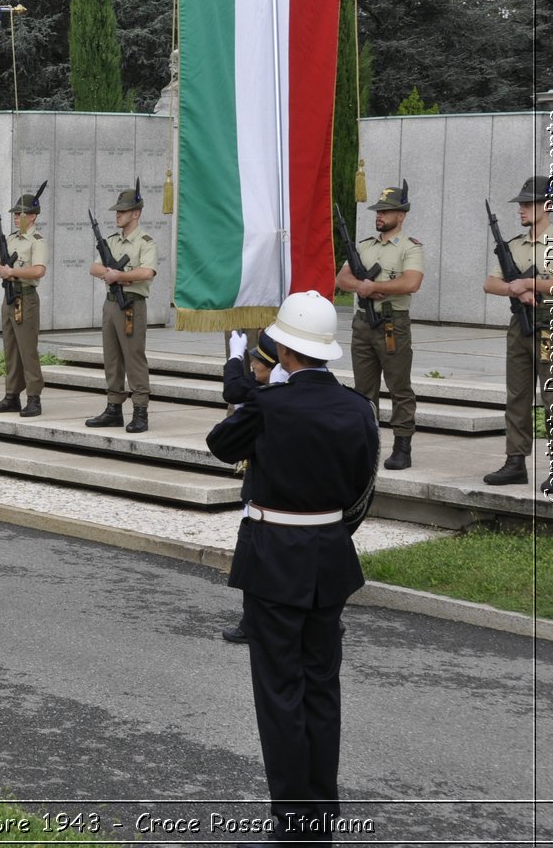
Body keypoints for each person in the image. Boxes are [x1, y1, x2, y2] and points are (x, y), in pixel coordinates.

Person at [206, 290, 378, 840]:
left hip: (273, 557)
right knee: (322, 688)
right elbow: (359, 488)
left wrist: (254, 393)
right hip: (329, 553)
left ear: (283, 350)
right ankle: (322, 817)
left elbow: (219, 445)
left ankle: (293, 821)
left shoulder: (267, 404)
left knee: (280, 692)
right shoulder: (358, 408)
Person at [483, 175, 553, 495]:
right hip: (519, 325)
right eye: (520, 203)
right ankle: (515, 462)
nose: (521, 209)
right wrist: (514, 288)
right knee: (516, 396)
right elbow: (490, 284)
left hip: (551, 325)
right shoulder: (513, 246)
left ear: (546, 206)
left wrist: (532, 284)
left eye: (528, 203)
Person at [336, 181, 425, 470]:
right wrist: (363, 288)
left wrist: (375, 285)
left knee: (399, 387)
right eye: (379, 211)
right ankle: (366, 443)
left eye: (387, 211)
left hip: (392, 323)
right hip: (363, 323)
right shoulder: (364, 246)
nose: (380, 215)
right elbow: (342, 279)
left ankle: (402, 446)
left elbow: (412, 282)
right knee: (363, 389)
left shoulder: (409, 248)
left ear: (401, 216)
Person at [218, 328, 289, 645]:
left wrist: (234, 354)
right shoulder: (275, 386)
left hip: (268, 492)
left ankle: (252, 623)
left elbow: (233, 390)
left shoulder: (267, 395)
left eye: (257, 363)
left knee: (255, 557)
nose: (253, 368)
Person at [86, 179, 157, 433]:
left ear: (136, 213)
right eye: (117, 211)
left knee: (134, 358)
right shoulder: (111, 241)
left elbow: (147, 272)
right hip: (111, 304)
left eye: (123, 211)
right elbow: (94, 267)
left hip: (132, 305)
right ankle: (114, 407)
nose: (118, 215)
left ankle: (140, 411)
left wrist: (120, 276)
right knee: (112, 358)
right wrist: (109, 272)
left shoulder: (145, 242)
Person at [0, 189, 50, 416]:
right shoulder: (11, 239)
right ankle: (11, 395)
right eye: (14, 214)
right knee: (10, 348)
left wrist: (11, 271)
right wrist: (3, 271)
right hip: (9, 296)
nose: (16, 217)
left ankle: (34, 397)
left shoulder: (37, 241)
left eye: (20, 213)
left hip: (25, 297)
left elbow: (39, 270)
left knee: (27, 349)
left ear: (32, 216)